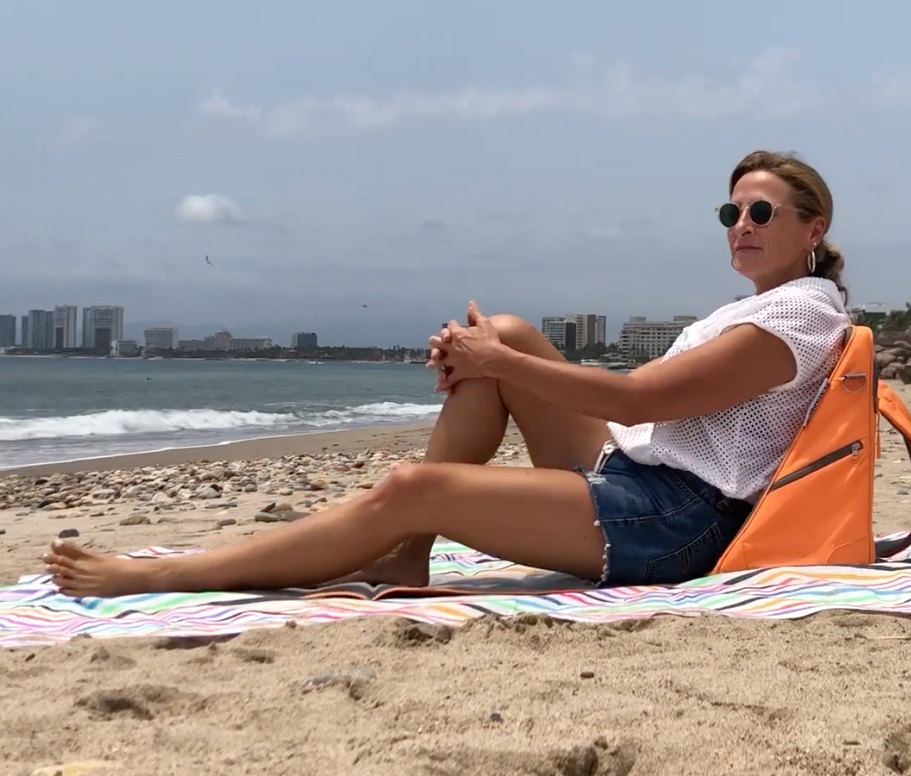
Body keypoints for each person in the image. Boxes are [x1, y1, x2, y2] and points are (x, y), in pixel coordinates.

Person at [44, 150, 853, 597]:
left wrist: (496, 365)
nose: (739, 227)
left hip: (680, 520)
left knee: (408, 485)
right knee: (499, 331)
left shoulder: (801, 314)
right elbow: (647, 410)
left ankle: (167, 574)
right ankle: (406, 554)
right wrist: (489, 358)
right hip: (644, 474)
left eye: (760, 213)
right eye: (730, 213)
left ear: (811, 228)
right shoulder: (758, 306)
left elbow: (643, 395)